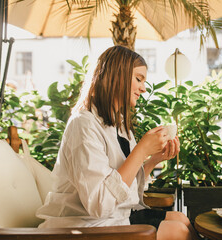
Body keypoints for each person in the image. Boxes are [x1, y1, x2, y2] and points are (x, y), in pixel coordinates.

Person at [36, 45, 199, 240]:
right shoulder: (83, 124)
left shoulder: (119, 124)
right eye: (138, 79)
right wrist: (141, 150)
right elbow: (99, 203)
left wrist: (153, 159)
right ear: (117, 76)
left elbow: (125, 185)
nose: (144, 88)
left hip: (117, 216)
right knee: (177, 231)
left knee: (181, 219)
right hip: (86, 224)